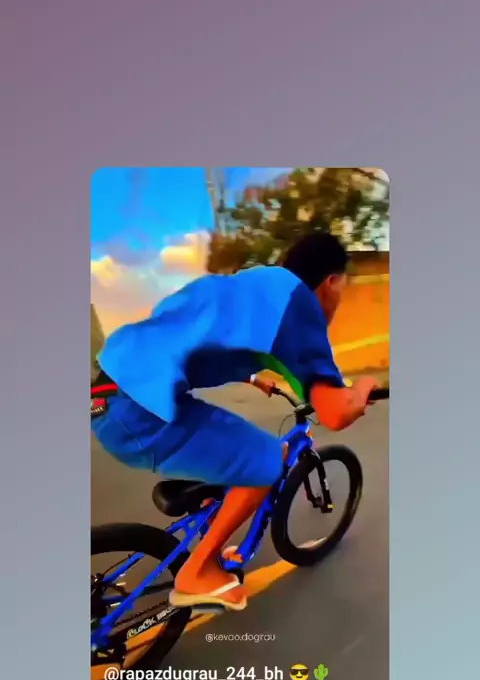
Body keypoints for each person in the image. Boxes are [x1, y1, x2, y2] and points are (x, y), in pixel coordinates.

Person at [91, 230, 378, 611]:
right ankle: (196, 572)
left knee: (234, 449)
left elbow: (200, 332)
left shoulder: (256, 285)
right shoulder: (298, 306)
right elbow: (334, 412)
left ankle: (214, 528)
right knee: (266, 460)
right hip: (137, 412)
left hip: (110, 391)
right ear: (331, 281)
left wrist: (253, 376)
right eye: (343, 286)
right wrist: (363, 388)